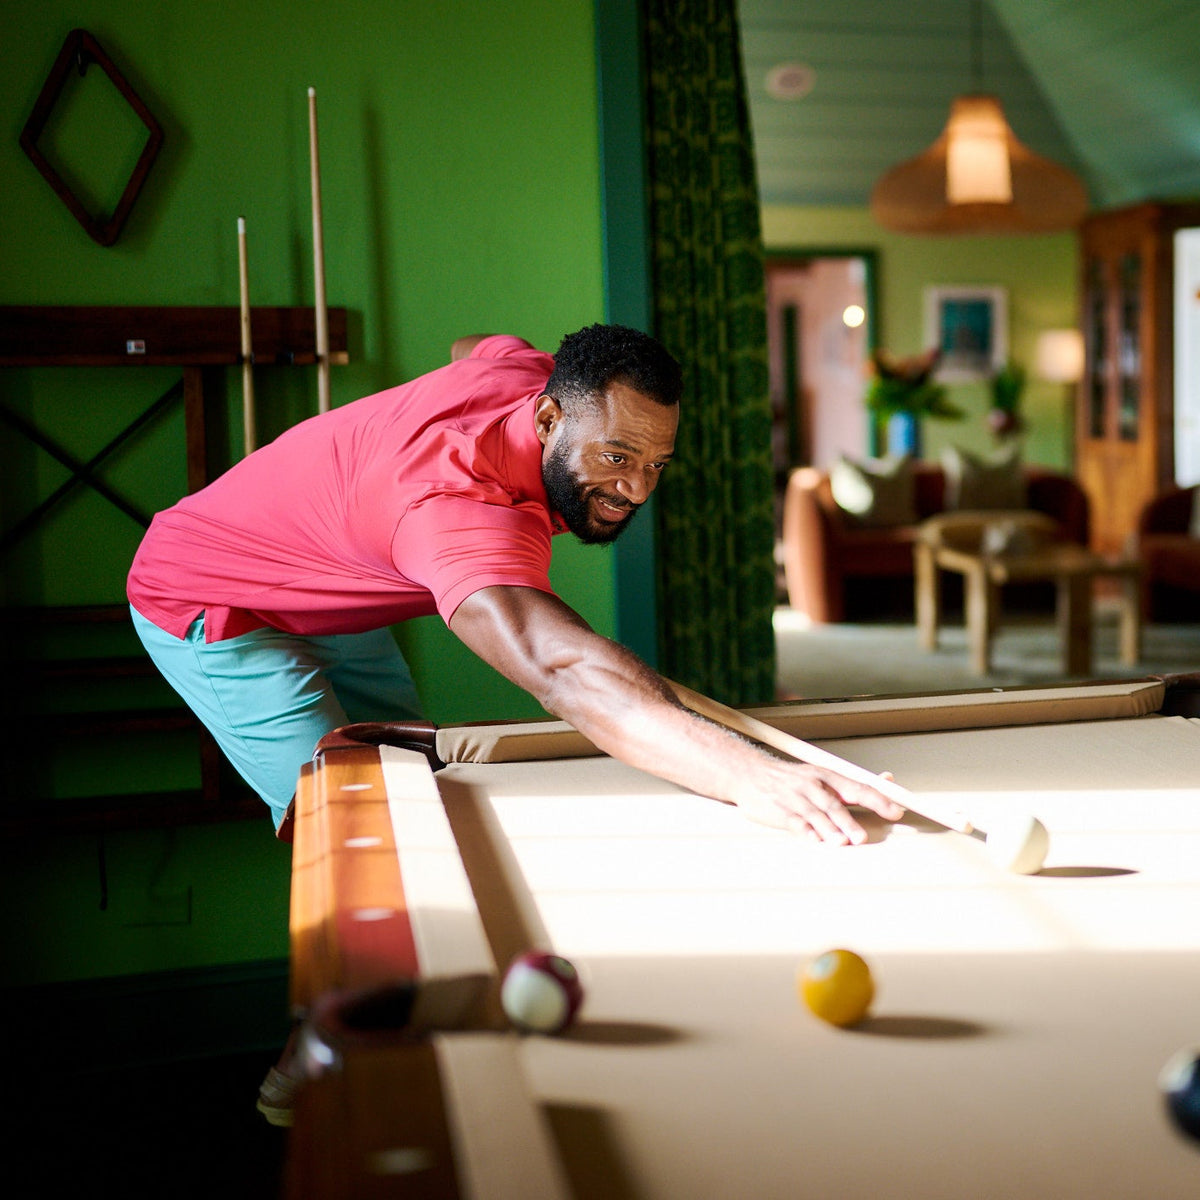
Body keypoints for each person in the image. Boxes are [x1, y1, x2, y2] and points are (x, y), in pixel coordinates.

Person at [127, 323, 904, 1122]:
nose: (636, 489)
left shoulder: (531, 376)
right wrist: (753, 775)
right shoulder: (458, 512)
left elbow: (474, 345)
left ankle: (423, 1007)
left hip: (333, 579)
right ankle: (314, 1072)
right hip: (214, 602)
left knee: (414, 797)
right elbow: (563, 671)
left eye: (654, 464)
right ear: (546, 421)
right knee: (355, 839)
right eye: (615, 457)